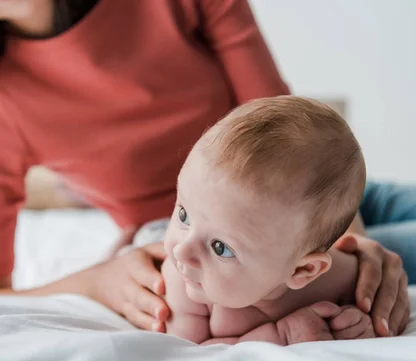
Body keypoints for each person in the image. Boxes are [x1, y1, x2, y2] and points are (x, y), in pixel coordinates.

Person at [0, 0, 410, 337]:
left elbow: (282, 121)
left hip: (320, 200)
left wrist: (350, 243)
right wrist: (98, 281)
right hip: (191, 232)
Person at [128, 96, 375, 345]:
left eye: (220, 247)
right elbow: (191, 354)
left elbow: (382, 314)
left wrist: (357, 325)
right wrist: (281, 334)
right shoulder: (182, 284)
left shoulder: (344, 278)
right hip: (153, 233)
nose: (182, 251)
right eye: (183, 214)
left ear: (303, 270)